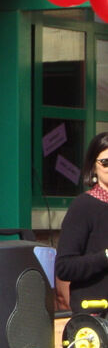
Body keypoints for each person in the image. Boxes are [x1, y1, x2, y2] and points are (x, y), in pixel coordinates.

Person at [56, 132, 108, 313]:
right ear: (93, 166)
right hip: (96, 312)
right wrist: (105, 257)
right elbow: (64, 267)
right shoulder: (83, 206)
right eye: (106, 162)